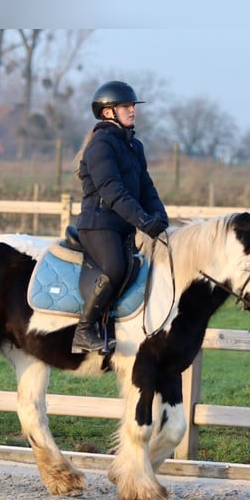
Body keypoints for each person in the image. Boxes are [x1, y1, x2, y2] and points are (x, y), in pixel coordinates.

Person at [71, 80, 169, 354]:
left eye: (132, 106)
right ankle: (84, 330)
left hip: (122, 226)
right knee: (115, 268)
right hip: (98, 225)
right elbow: (113, 191)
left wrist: (160, 215)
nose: (132, 110)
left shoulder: (134, 146)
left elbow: (146, 186)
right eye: (125, 106)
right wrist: (143, 221)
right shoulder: (100, 146)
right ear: (107, 112)